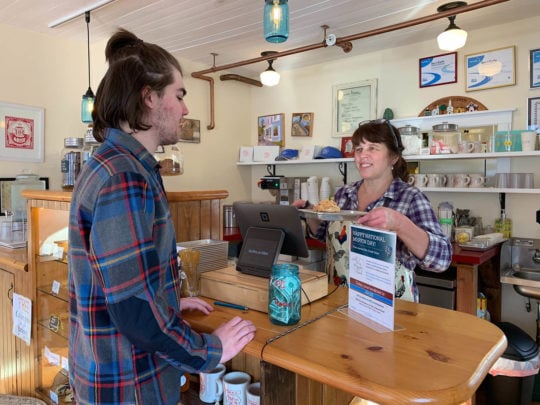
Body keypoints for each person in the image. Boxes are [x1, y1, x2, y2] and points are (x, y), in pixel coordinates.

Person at [68, 29, 256, 405]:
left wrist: (167, 300)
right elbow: (134, 311)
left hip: (108, 375)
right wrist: (211, 350)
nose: (186, 109)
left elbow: (123, 285)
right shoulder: (124, 176)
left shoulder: (111, 164)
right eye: (180, 95)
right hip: (129, 386)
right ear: (149, 97)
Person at [296, 120, 452, 302]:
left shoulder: (410, 198)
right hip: (339, 300)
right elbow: (326, 236)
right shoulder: (344, 194)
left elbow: (442, 259)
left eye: (373, 148)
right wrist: (309, 212)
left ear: (393, 157)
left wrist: (400, 224)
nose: (363, 155)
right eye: (359, 149)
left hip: (391, 309)